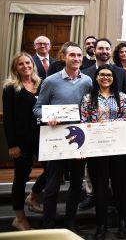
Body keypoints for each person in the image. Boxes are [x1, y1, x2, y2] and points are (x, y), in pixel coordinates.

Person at [33, 42, 93, 230]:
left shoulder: (88, 81)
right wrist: (46, 117)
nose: (76, 59)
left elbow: (90, 108)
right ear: (63, 57)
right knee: (52, 187)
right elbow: (36, 108)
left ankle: (70, 223)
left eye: (79, 56)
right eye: (72, 55)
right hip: (56, 140)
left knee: (76, 185)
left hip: (78, 140)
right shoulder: (50, 81)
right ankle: (48, 225)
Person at [80, 65, 126, 239]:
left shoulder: (122, 97)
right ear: (96, 77)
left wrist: (109, 126)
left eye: (109, 75)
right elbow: (83, 121)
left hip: (118, 148)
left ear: (113, 78)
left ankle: (123, 223)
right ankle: (101, 225)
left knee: (121, 187)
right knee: (100, 188)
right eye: (102, 74)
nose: (105, 77)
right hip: (97, 149)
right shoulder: (88, 98)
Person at [3, 53, 42, 230]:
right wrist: (12, 145)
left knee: (53, 169)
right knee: (20, 178)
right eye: (21, 64)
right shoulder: (10, 88)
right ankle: (19, 218)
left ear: (33, 65)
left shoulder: (41, 83)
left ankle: (33, 195)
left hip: (41, 137)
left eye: (28, 63)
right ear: (15, 68)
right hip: (21, 140)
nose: (25, 66)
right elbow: (9, 118)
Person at [82, 38, 126, 106]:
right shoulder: (84, 73)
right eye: (100, 48)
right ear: (94, 51)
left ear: (110, 51)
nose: (104, 51)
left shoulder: (121, 72)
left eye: (107, 49)